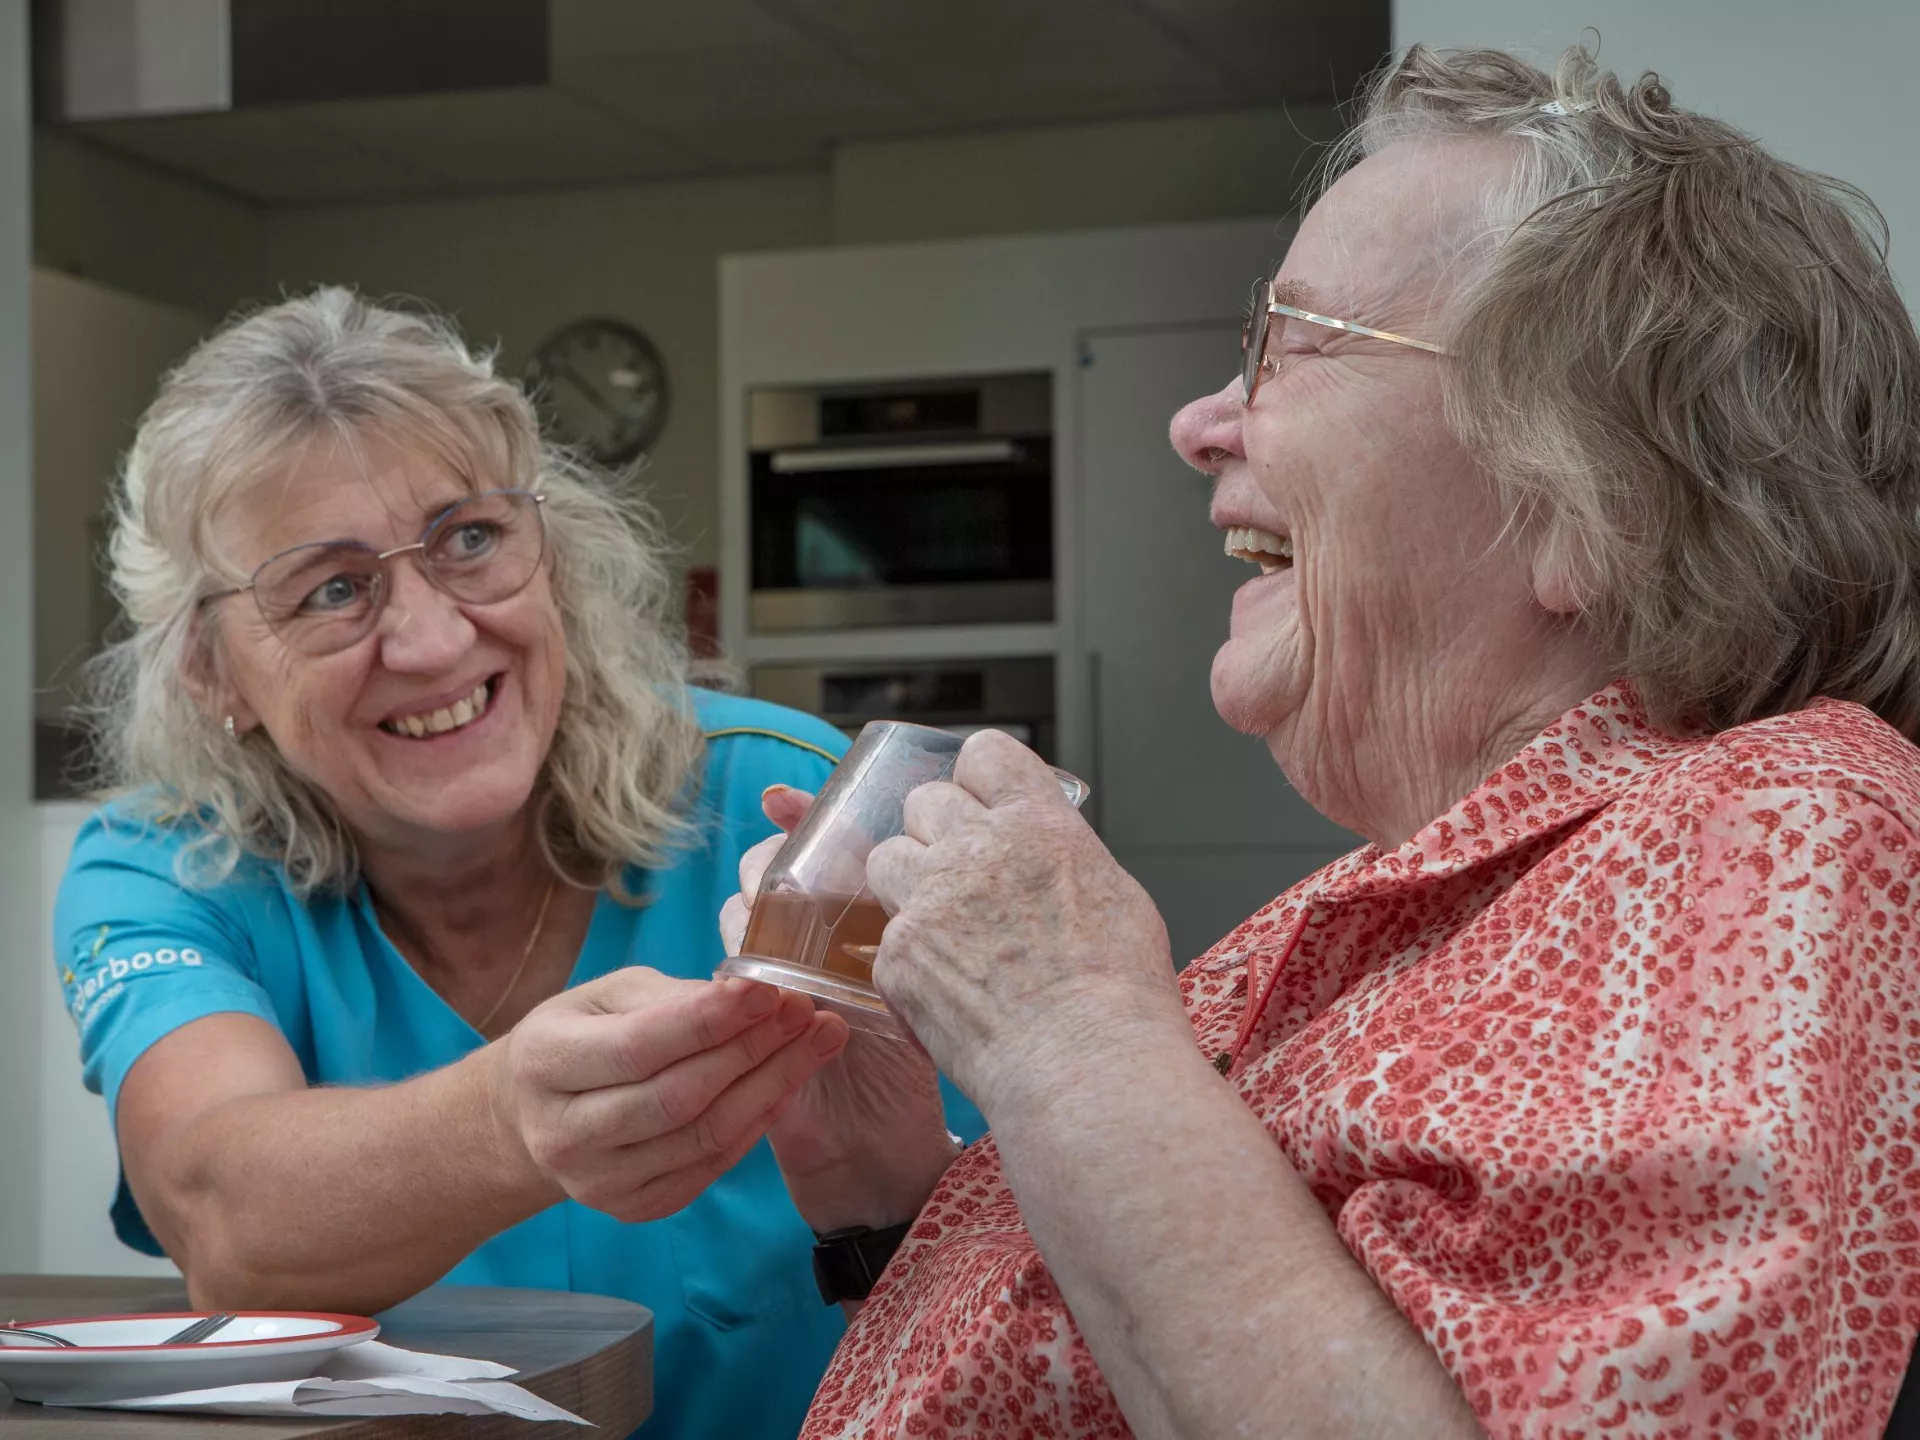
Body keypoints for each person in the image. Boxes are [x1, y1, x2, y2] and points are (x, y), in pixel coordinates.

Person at [729, 46, 1920, 1439]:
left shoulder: (1778, 822)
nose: (1199, 423)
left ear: (1599, 500)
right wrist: (897, 1197)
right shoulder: (1455, 895)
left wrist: (1067, 1029)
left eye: (1294, 346)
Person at [52, 287, 984, 1440]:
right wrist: (513, 1120)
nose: (437, 639)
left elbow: (1000, 1254)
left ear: (554, 556)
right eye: (334, 590)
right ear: (212, 673)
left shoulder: (786, 803)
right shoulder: (163, 866)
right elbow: (219, 1218)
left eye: (472, 539)